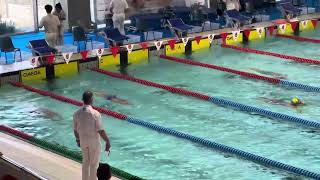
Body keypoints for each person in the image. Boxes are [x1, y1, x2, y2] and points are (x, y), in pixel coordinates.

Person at [73, 91, 111, 180]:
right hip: (94, 142)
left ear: (82, 100)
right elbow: (100, 130)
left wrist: (78, 140)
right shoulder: (95, 113)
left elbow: (75, 130)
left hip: (83, 141)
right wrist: (107, 141)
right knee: (94, 164)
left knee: (85, 162)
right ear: (91, 99)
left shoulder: (76, 113)